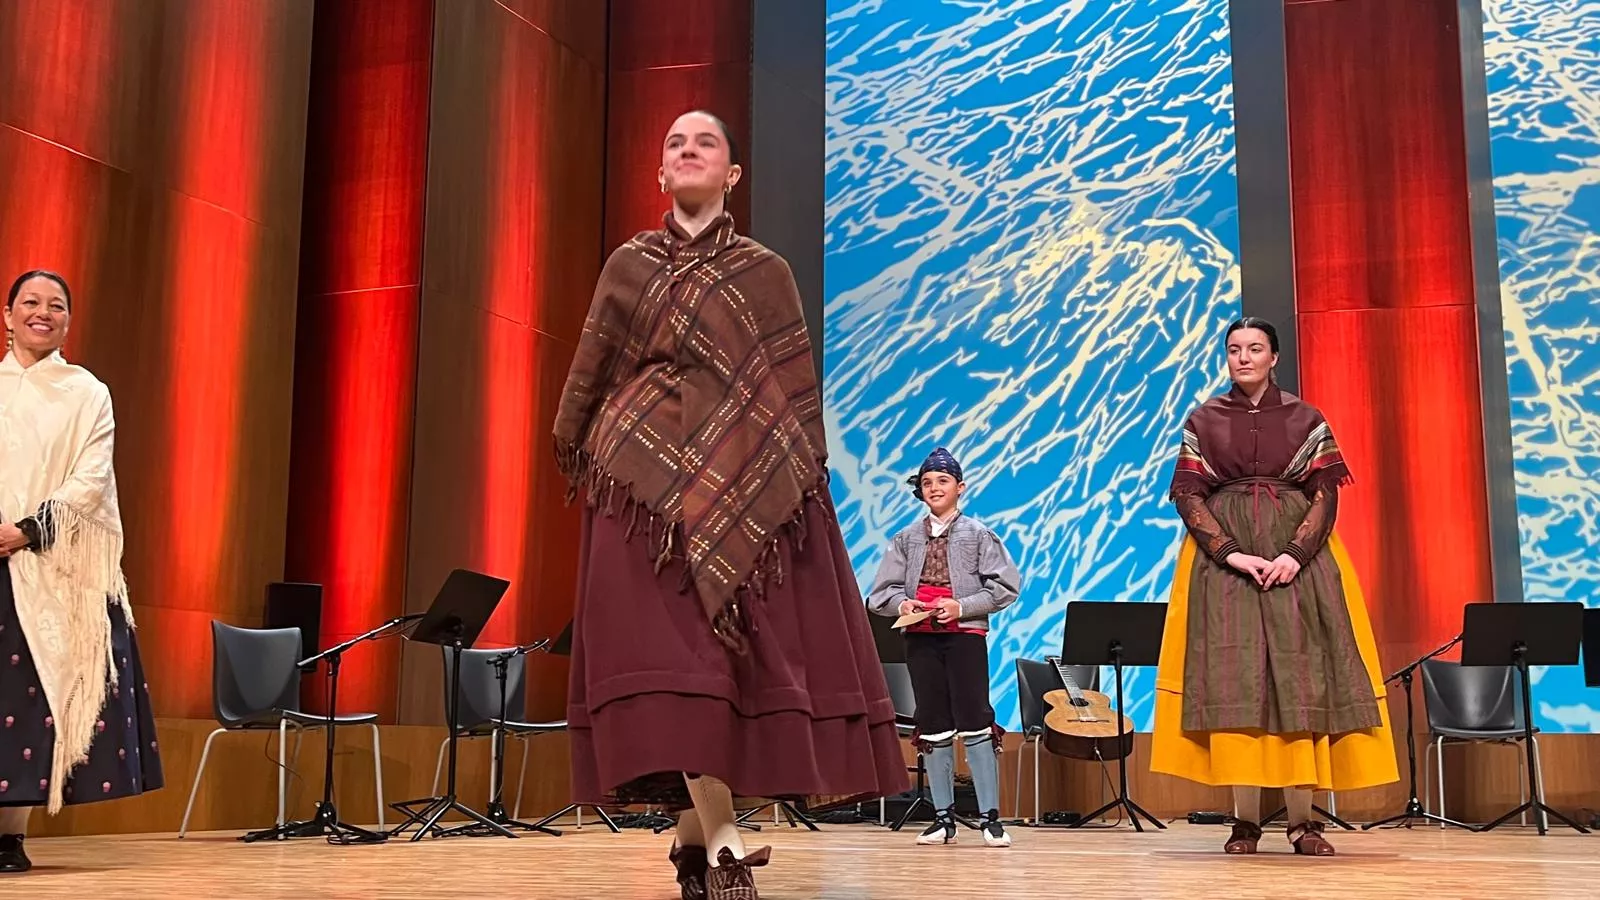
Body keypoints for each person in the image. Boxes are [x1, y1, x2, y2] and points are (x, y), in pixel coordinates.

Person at [554, 111, 907, 899]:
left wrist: (793, 482)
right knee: (678, 670)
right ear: (660, 174)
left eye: (704, 142)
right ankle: (721, 845)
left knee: (719, 670)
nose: (687, 151)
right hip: (640, 497)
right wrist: (604, 444)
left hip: (740, 484)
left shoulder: (764, 272)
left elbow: (791, 392)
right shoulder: (628, 264)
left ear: (731, 175)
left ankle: (693, 842)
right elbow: (591, 375)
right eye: (673, 143)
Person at [1149, 316, 1397, 856]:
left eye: (1254, 349)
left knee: (1299, 675)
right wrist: (1229, 552)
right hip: (1223, 563)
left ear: (1274, 357)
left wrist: (1294, 554)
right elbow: (1190, 495)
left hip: (1299, 562)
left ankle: (1304, 822)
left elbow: (1326, 495)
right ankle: (1244, 822)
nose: (1243, 358)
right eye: (1234, 349)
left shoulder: (1306, 417)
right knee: (1234, 681)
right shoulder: (1205, 417)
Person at [0, 271, 162, 874]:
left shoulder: (86, 391)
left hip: (50, 560)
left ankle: (9, 834)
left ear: (69, 319)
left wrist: (27, 529)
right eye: (31, 303)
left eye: (57, 305)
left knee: (33, 701)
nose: (43, 313)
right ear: (8, 314)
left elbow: (91, 479)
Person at [866, 448, 1020, 847]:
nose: (934, 488)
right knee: (932, 723)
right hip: (921, 637)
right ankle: (942, 818)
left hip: (964, 635)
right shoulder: (905, 539)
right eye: (927, 482)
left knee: (974, 716)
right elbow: (880, 594)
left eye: (943, 481)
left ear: (960, 487)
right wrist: (905, 604)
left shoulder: (979, 534)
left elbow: (1004, 588)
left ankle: (990, 819)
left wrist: (960, 607)